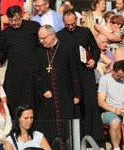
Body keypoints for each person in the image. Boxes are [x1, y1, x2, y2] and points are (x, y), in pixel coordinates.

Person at [57, 10, 105, 143]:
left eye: (73, 24)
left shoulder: (85, 32)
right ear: (63, 22)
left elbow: (95, 49)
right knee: (74, 107)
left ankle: (95, 138)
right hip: (69, 77)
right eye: (68, 24)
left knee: (90, 104)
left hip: (85, 73)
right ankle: (75, 138)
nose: (70, 27)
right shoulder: (59, 35)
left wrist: (94, 60)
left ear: (76, 21)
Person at [33, 25, 81, 149]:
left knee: (65, 125)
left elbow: (75, 72)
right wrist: (44, 89)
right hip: (48, 96)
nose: (41, 41)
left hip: (65, 93)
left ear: (52, 35)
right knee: (51, 126)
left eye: (43, 38)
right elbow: (35, 73)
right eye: (40, 39)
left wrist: (77, 94)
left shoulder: (67, 48)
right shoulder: (39, 52)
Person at [0, 6, 40, 115]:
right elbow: (2, 52)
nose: (15, 23)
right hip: (15, 74)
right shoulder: (5, 33)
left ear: (21, 16)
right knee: (14, 103)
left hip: (32, 72)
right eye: (11, 21)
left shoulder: (33, 27)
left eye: (17, 19)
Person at [98, 60, 124, 150]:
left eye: (123, 77)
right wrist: (115, 110)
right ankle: (116, 148)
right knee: (115, 122)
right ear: (113, 70)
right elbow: (101, 102)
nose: (121, 79)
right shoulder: (105, 79)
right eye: (119, 76)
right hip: (109, 111)